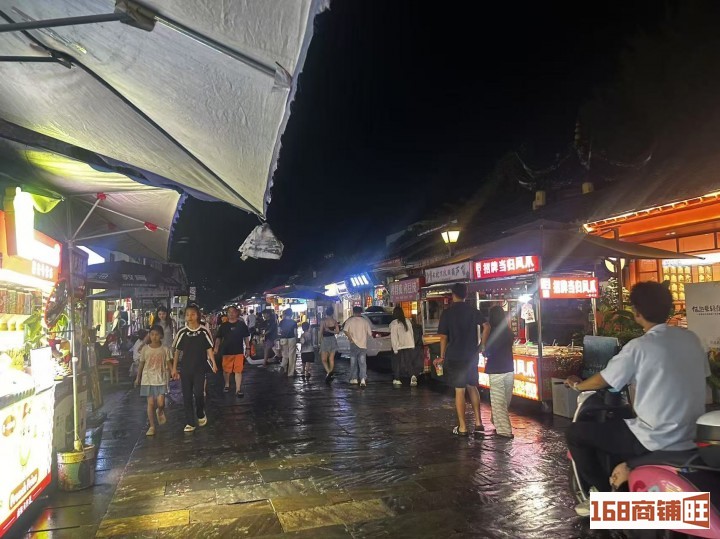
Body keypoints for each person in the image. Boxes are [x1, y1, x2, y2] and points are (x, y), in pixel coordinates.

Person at [564, 281, 711, 517]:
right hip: (692, 434)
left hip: (653, 438)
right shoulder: (692, 339)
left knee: (575, 433)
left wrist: (577, 385)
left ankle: (602, 497)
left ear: (636, 313)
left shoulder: (639, 347)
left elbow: (603, 380)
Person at [436, 283, 485, 436]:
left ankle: (462, 427)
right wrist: (482, 345)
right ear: (466, 295)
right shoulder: (473, 311)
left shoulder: (447, 313)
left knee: (459, 391)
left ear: (453, 295)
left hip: (455, 356)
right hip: (471, 355)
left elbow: (443, 337)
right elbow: (487, 326)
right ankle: (478, 422)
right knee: (472, 387)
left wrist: (442, 356)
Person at [171, 304, 218, 433]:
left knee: (198, 394)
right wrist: (174, 368)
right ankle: (190, 422)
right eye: (187, 314)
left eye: (192, 314)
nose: (190, 317)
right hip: (185, 369)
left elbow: (209, 348)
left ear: (198, 315)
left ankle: (200, 413)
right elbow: (177, 351)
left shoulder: (204, 331)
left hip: (200, 368)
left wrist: (213, 363)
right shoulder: (182, 332)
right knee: (186, 396)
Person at [481, 305, 515, 439]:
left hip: (496, 370)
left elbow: (487, 352)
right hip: (509, 369)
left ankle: (505, 431)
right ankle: (496, 420)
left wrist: (484, 345)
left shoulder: (493, 333)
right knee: (504, 401)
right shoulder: (508, 332)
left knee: (499, 402)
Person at [134, 325, 172, 436]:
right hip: (147, 379)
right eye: (152, 334)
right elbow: (141, 364)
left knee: (161, 403)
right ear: (149, 336)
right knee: (150, 403)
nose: (154, 337)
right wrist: (138, 377)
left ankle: (159, 411)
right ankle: (152, 426)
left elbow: (169, 363)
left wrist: (173, 372)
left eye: (157, 335)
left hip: (161, 379)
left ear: (161, 336)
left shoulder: (165, 349)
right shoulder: (145, 349)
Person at [214, 306, 250, 397]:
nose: (231, 314)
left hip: (239, 351)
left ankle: (238, 389)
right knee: (226, 370)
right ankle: (227, 384)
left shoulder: (241, 325)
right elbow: (218, 338)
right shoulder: (223, 326)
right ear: (227, 313)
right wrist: (216, 348)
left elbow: (246, 337)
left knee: (238, 371)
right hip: (226, 351)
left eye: (233, 312)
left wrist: (248, 348)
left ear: (236, 313)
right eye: (229, 312)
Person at [343, 306, 372, 387]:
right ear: (361, 312)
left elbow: (345, 330)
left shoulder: (350, 320)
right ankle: (363, 379)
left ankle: (354, 378)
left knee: (353, 362)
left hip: (353, 344)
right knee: (362, 362)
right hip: (363, 344)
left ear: (353, 312)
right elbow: (370, 333)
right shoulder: (365, 321)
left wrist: (350, 338)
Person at [390, 306, 416, 387]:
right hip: (409, 344)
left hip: (399, 346)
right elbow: (411, 333)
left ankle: (397, 379)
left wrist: (395, 349)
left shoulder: (394, 323)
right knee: (408, 362)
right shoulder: (407, 321)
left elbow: (394, 337)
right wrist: (412, 344)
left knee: (397, 362)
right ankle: (412, 375)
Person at [319, 306, 340, 383]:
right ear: (332, 313)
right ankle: (330, 373)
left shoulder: (323, 321)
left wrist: (319, 342)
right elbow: (337, 332)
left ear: (326, 313)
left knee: (324, 360)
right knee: (331, 359)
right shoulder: (334, 321)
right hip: (333, 340)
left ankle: (329, 372)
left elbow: (320, 332)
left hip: (325, 340)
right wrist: (331, 331)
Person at [278, 308, 299, 376]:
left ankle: (282, 366)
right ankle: (290, 373)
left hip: (283, 339)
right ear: (291, 314)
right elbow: (295, 332)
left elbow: (278, 332)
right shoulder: (294, 322)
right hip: (292, 339)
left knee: (285, 355)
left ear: (285, 314)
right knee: (291, 356)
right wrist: (296, 339)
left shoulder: (281, 322)